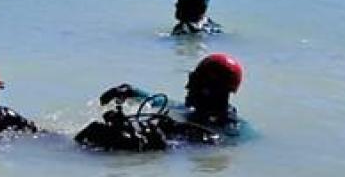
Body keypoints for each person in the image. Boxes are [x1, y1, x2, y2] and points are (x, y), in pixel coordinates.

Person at [74, 54, 244, 151]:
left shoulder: (231, 130)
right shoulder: (193, 110)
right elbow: (163, 102)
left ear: (209, 90)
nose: (187, 86)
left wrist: (162, 143)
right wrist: (131, 91)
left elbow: (223, 145)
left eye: (193, 82)